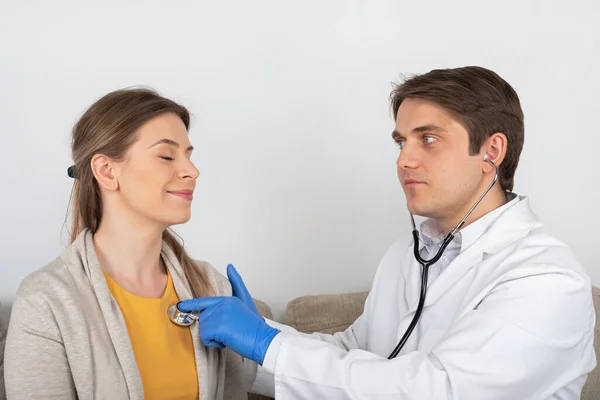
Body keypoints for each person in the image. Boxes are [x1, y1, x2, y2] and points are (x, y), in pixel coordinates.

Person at [179, 66, 597, 399]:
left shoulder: (547, 281)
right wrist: (256, 344)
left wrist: (267, 344)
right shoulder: (410, 252)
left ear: (492, 151)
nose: (405, 160)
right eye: (401, 142)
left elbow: (437, 390)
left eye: (428, 139)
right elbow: (356, 354)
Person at [3, 88, 256, 399]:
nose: (192, 171)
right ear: (107, 171)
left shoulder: (211, 287)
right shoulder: (46, 301)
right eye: (167, 156)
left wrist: (263, 348)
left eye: (189, 155)